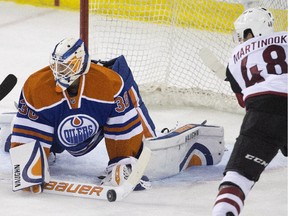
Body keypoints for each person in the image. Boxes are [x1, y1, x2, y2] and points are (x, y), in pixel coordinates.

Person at [9, 38, 156, 193]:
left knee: (126, 133)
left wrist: (124, 160)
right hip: (55, 133)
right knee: (24, 144)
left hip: (95, 130)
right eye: (57, 65)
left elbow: (123, 124)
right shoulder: (36, 86)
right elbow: (30, 127)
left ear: (81, 65)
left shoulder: (109, 83)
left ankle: (123, 161)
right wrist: (27, 164)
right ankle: (12, 134)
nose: (60, 71)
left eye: (67, 66)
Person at [212, 7, 287, 216]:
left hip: (265, 110)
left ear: (251, 33)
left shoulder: (234, 60)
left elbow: (244, 103)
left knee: (238, 178)